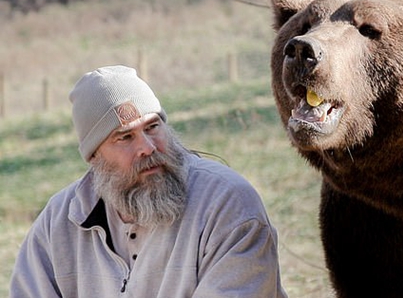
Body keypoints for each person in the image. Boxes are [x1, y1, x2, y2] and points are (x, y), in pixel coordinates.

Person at [10, 65, 288, 297]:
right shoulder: (58, 223)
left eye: (153, 127)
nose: (148, 147)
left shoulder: (227, 204)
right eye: (125, 137)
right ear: (94, 157)